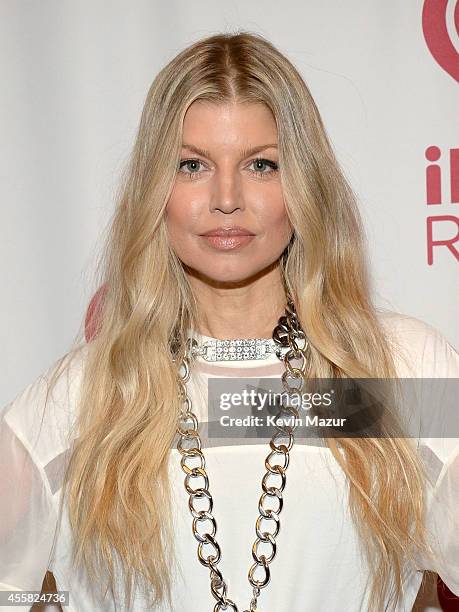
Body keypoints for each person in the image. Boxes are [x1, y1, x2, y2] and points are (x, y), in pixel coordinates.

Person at [0, 31, 458, 612]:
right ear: (153, 190)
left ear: (304, 186)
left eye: (261, 164)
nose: (226, 197)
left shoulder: (401, 372)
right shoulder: (80, 398)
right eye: (192, 165)